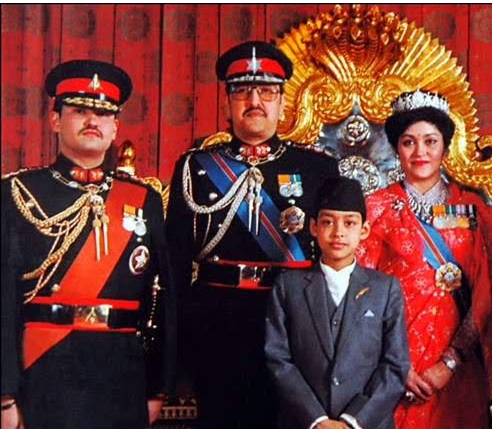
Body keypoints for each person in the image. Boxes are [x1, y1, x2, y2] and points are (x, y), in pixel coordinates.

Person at [165, 41, 339, 428]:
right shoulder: (196, 167)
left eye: (267, 92)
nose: (254, 101)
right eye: (242, 91)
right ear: (228, 103)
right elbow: (175, 265)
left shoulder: (318, 169)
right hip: (217, 324)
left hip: (294, 322)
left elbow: (335, 260)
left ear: (282, 103)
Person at [0, 59, 176, 428]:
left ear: (115, 127)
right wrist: (5, 394)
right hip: (44, 371)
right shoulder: (17, 193)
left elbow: (161, 300)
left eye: (103, 113)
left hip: (121, 374)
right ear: (55, 120)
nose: (92, 120)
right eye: (79, 111)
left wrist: (157, 387)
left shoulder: (144, 199)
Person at [356, 89, 492, 428]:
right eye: (409, 142)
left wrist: (449, 363)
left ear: (445, 148)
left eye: (430, 142)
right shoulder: (374, 210)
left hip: (458, 370)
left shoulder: (475, 212)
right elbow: (360, 293)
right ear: (396, 149)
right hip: (391, 364)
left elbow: (487, 296)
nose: (420, 152)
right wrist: (397, 365)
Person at [265, 176, 409, 429]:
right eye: (327, 222)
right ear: (313, 227)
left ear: (364, 230)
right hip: (303, 423)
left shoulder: (386, 289)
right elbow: (278, 359)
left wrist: (353, 421)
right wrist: (317, 420)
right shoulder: (288, 286)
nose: (338, 232)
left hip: (366, 425)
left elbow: (395, 365)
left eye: (349, 223)